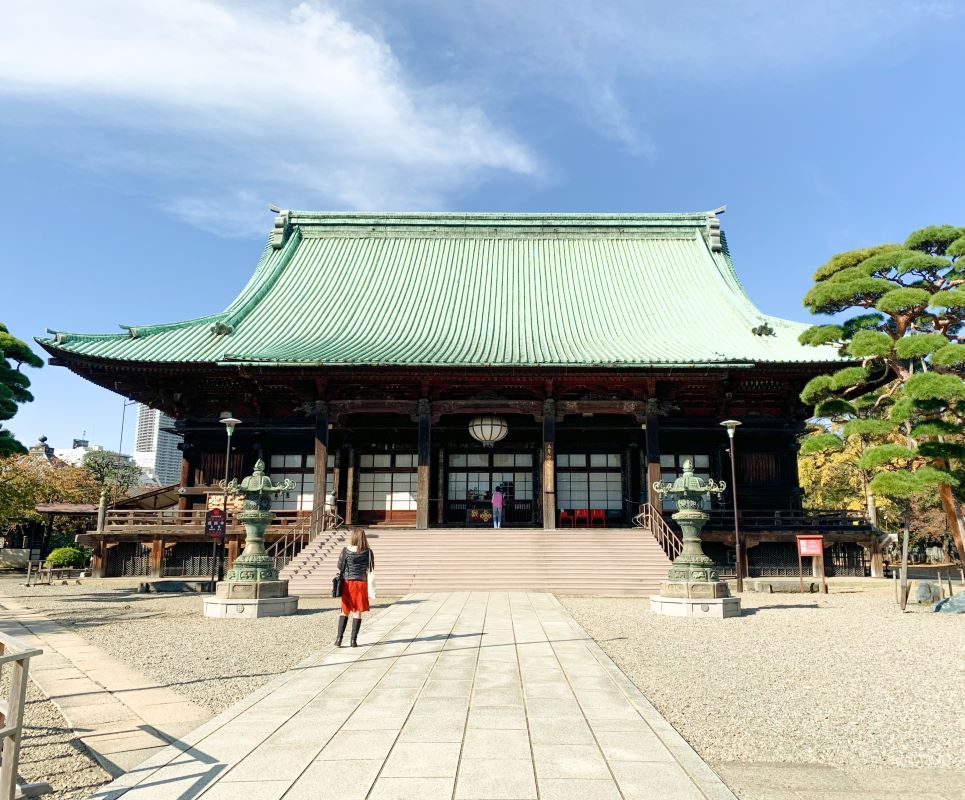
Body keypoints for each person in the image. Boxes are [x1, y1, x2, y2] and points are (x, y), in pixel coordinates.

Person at [334, 527, 375, 647]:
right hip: (361, 582)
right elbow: (371, 567)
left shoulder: (345, 550)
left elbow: (339, 566)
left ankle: (339, 639)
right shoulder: (368, 552)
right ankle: (353, 641)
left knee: (344, 610)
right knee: (357, 611)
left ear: (353, 537)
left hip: (348, 583)